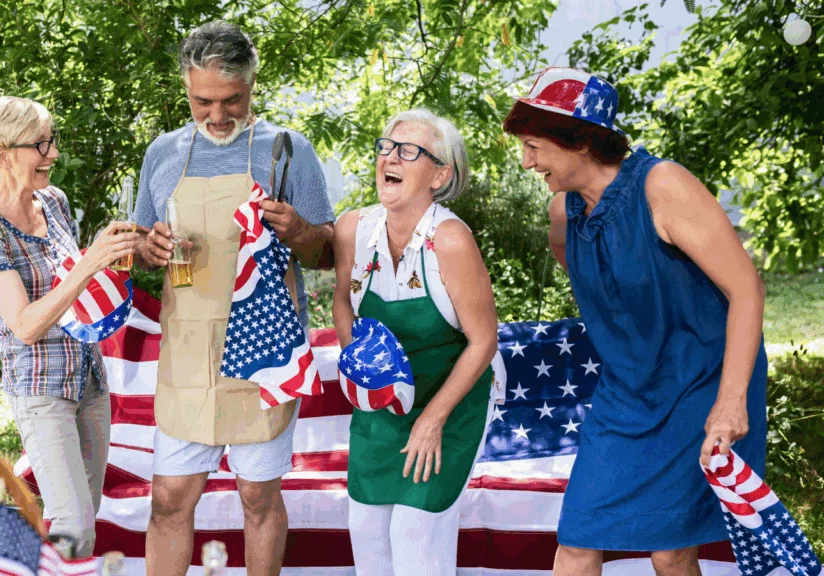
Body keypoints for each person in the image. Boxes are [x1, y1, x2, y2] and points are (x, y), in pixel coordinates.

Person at [502, 67, 768, 575]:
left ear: (579, 141)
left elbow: (746, 289)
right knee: (578, 538)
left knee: (670, 551)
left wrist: (731, 402)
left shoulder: (662, 185)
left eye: (534, 145)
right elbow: (576, 259)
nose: (525, 161)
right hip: (626, 392)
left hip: (704, 381)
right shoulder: (564, 211)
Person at [133, 21, 336, 576]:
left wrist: (298, 230)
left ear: (252, 86)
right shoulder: (163, 154)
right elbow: (137, 250)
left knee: (258, 500)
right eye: (203, 101)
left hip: (264, 354)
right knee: (169, 500)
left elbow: (328, 254)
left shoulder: (287, 151)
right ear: (186, 89)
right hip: (189, 356)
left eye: (233, 100)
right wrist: (147, 249)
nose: (218, 115)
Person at [0, 96, 141, 557]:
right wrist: (90, 261)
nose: (53, 154)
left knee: (87, 514)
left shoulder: (53, 201)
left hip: (89, 380)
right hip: (42, 392)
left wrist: (117, 260)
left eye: (52, 140)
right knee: (73, 528)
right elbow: (24, 325)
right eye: (40, 144)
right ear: (2, 155)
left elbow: (75, 291)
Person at [332, 109, 499, 576]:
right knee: (366, 531)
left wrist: (432, 419)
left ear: (440, 174)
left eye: (409, 151)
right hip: (383, 403)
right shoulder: (353, 229)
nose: (390, 156)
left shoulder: (449, 240)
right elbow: (343, 302)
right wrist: (362, 363)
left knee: (416, 535)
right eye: (386, 146)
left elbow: (484, 342)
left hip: (451, 401)